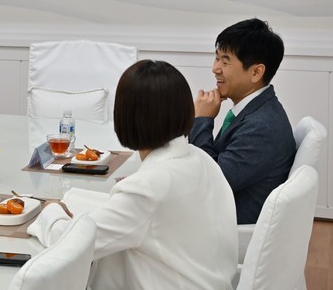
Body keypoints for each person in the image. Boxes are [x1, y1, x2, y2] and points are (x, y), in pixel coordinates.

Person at [28, 60, 237, 289]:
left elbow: (72, 247)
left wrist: (51, 211)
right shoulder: (201, 158)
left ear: (125, 117)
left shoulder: (148, 188)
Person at [190, 18, 295, 224]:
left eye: (225, 61)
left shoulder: (261, 127)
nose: (215, 68)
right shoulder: (255, 109)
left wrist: (202, 120)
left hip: (223, 226)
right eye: (216, 58)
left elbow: (209, 183)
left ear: (256, 72)